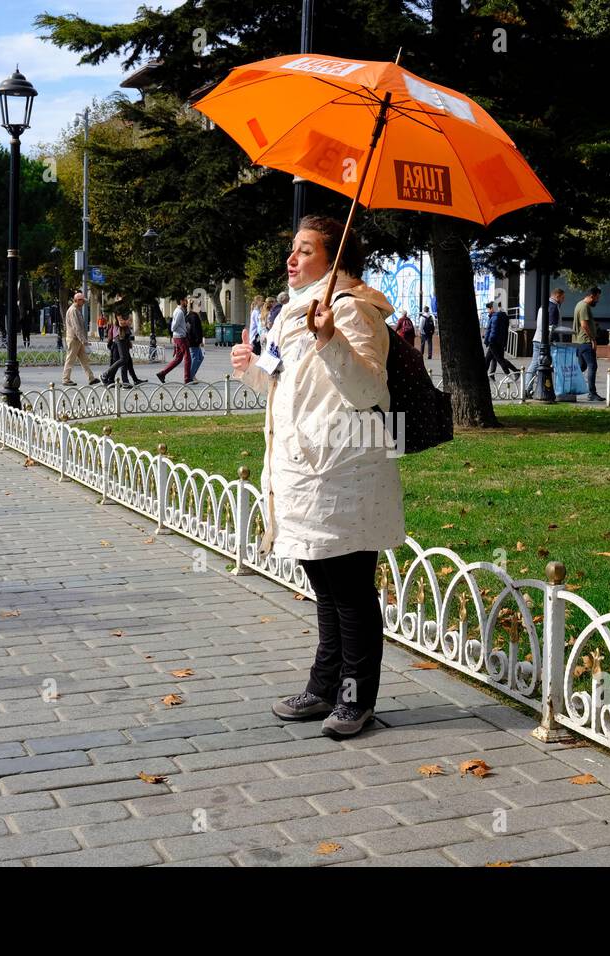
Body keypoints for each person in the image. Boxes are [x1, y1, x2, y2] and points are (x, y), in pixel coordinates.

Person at [230, 214, 404, 740]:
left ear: (335, 259)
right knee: (324, 588)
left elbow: (368, 390)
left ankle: (357, 697)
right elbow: (296, 393)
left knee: (350, 590)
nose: (292, 259)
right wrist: (253, 369)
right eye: (293, 249)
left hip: (344, 475)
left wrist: (331, 338)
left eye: (305, 251)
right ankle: (324, 684)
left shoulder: (355, 314)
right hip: (302, 474)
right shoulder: (291, 313)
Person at [525, 288, 565, 398]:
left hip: (537, 338)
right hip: (546, 341)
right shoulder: (553, 307)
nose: (563, 300)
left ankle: (527, 388)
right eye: (562, 297)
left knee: (534, 364)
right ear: (557, 296)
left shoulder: (544, 305)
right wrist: (555, 341)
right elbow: (552, 327)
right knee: (552, 365)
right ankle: (550, 389)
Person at [573, 287, 605, 401]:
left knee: (581, 366)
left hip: (579, 342)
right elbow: (584, 324)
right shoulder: (584, 307)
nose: (598, 300)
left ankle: (569, 386)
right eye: (597, 298)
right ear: (592, 296)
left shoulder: (579, 304)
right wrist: (593, 339)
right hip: (585, 341)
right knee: (592, 366)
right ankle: (592, 393)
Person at [61, 292, 98, 386]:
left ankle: (91, 378)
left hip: (77, 340)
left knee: (84, 359)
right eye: (82, 301)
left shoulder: (77, 309)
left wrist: (83, 340)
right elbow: (76, 327)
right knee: (70, 359)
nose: (84, 303)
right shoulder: (73, 310)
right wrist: (83, 340)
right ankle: (66, 379)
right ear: (77, 300)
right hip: (74, 339)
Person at [156, 295, 191, 384]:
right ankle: (187, 379)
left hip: (179, 337)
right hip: (180, 337)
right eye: (185, 300)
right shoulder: (179, 312)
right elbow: (173, 327)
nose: (187, 302)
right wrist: (183, 330)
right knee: (188, 357)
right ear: (181, 301)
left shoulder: (178, 311)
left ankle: (162, 373)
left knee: (178, 359)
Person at [101, 313, 143, 385]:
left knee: (127, 360)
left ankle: (130, 381)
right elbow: (121, 323)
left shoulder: (124, 309)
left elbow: (127, 323)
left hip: (124, 336)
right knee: (123, 359)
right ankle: (105, 375)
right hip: (120, 336)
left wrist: (128, 321)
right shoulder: (119, 309)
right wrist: (128, 321)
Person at [483, 300, 517, 377]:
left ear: (492, 308)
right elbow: (505, 331)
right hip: (500, 341)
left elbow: (492, 330)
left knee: (500, 360)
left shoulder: (495, 317)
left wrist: (488, 340)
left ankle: (511, 374)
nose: (487, 311)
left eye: (488, 309)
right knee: (489, 359)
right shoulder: (503, 316)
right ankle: (490, 375)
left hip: (493, 342)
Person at [186, 306, 206, 382]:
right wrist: (199, 341)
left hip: (192, 341)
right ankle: (190, 376)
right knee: (195, 358)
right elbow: (195, 329)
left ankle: (192, 374)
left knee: (200, 357)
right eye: (198, 305)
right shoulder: (194, 316)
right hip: (194, 341)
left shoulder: (189, 315)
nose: (200, 307)